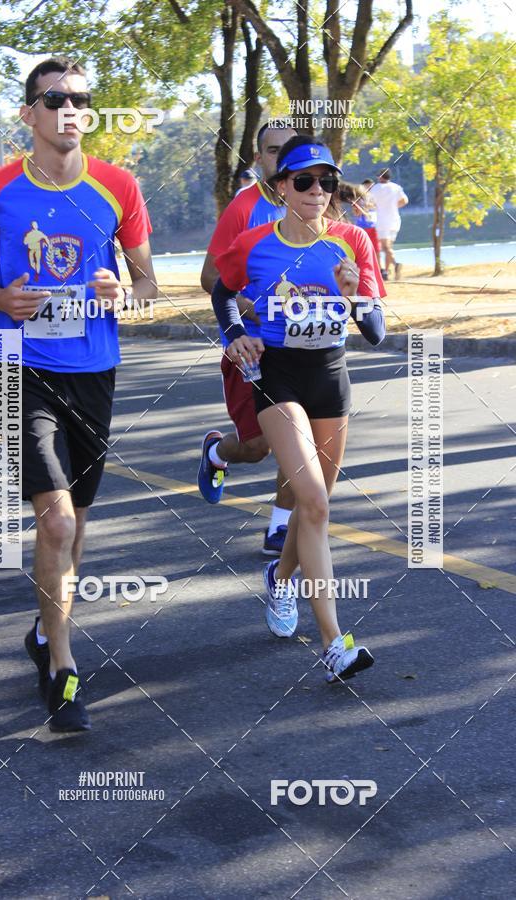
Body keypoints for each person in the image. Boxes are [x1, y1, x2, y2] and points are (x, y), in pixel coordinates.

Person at [0, 56, 156, 731]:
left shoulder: (118, 186)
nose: (70, 109)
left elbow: (149, 285)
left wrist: (124, 293)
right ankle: (63, 669)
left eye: (80, 99)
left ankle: (43, 630)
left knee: (81, 519)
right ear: (29, 115)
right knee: (56, 520)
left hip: (93, 367)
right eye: (55, 99)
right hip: (19, 363)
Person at [211, 135, 386, 683]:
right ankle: (335, 643)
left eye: (327, 181)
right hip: (277, 374)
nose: (317, 191)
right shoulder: (256, 243)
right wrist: (235, 334)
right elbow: (221, 291)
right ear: (281, 186)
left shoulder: (353, 240)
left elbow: (376, 334)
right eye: (304, 181)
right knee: (310, 497)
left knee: (314, 504)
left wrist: (355, 296)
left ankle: (281, 583)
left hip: (330, 377)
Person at [198, 122, 296, 556]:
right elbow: (210, 278)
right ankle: (219, 452)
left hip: (298, 347)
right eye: (273, 151)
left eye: (289, 150)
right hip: (250, 346)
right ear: (259, 160)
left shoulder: (312, 204)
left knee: (299, 439)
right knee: (257, 448)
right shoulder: (244, 208)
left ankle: (280, 526)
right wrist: (256, 308)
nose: (282, 158)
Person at [369, 169, 408, 281]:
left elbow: (370, 203)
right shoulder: (396, 187)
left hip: (382, 221)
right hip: (395, 220)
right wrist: (394, 206)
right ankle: (385, 271)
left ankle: (395, 265)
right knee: (388, 247)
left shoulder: (375, 188)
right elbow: (405, 200)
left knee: (384, 247)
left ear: (380, 177)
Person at [352, 179, 380, 257]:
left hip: (374, 226)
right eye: (368, 187)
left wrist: (367, 206)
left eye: (371, 187)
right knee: (362, 249)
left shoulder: (374, 197)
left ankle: (380, 268)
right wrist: (361, 209)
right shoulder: (358, 198)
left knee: (376, 249)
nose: (370, 188)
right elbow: (355, 213)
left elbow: (377, 207)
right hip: (361, 227)